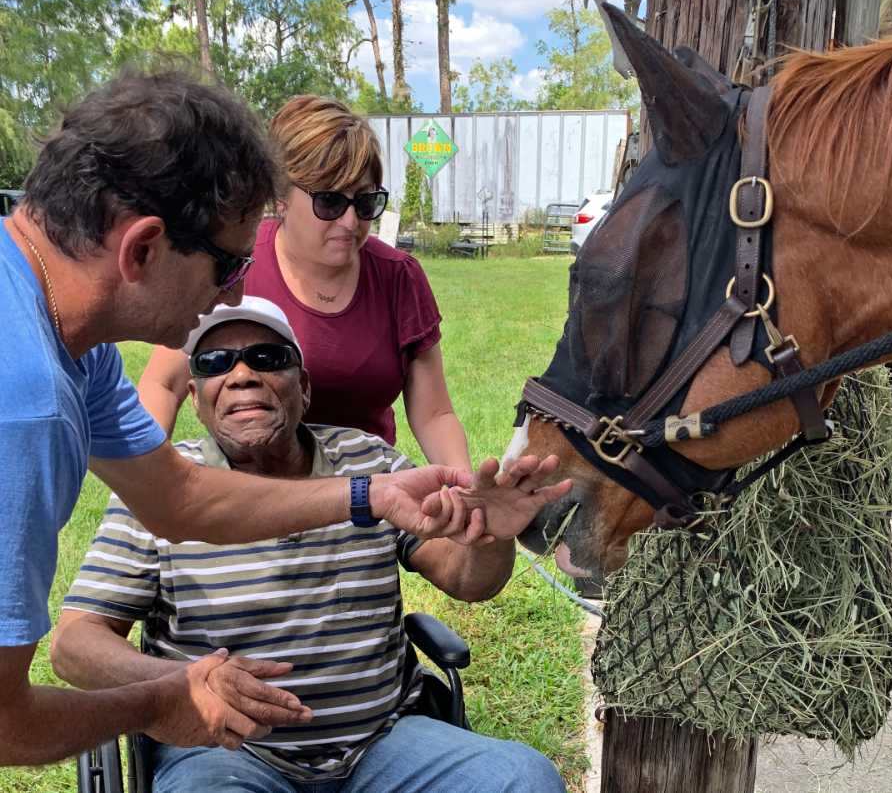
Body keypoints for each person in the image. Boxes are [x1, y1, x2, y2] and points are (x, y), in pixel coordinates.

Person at [0, 70, 570, 767]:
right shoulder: (23, 404)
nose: (240, 289)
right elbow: (6, 721)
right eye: (230, 265)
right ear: (142, 249)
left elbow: (177, 497)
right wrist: (167, 696)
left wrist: (369, 495)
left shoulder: (73, 350)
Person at [52, 297, 565, 793]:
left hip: (382, 742)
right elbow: (75, 644)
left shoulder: (368, 461)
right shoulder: (163, 488)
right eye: (215, 362)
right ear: (196, 399)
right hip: (224, 753)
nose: (242, 374)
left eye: (266, 357)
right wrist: (181, 682)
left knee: (524, 778)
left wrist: (488, 537)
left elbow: (464, 579)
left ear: (305, 388)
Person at [139, 95, 471, 469]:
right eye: (329, 202)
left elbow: (434, 414)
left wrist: (465, 492)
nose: (349, 222)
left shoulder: (398, 277)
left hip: (365, 487)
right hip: (248, 493)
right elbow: (162, 385)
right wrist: (151, 483)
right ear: (280, 196)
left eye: (365, 203)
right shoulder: (232, 263)